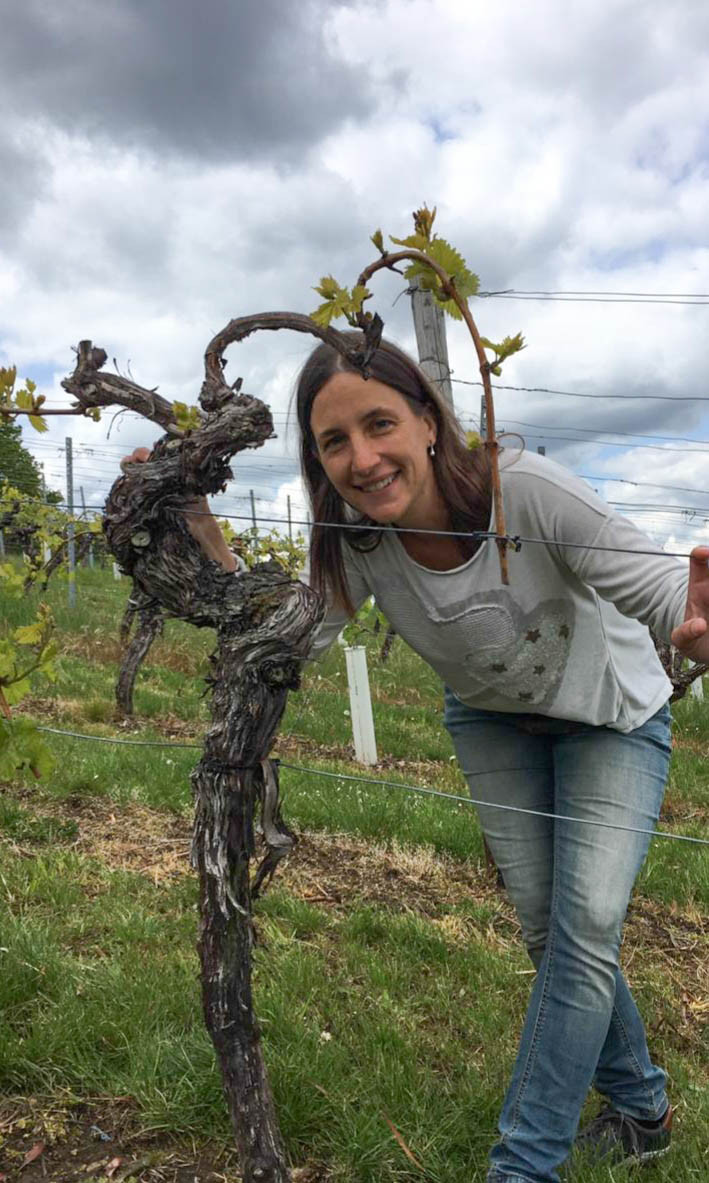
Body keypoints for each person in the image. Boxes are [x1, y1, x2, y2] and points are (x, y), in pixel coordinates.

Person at [126, 334, 709, 1183]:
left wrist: (693, 617)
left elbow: (654, 585)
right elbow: (289, 636)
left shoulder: (527, 493)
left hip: (610, 716)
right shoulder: (357, 540)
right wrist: (203, 531)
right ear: (317, 460)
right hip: (493, 722)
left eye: (379, 424)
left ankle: (522, 1166)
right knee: (552, 931)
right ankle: (642, 1108)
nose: (362, 459)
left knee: (582, 929)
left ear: (428, 422)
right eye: (334, 441)